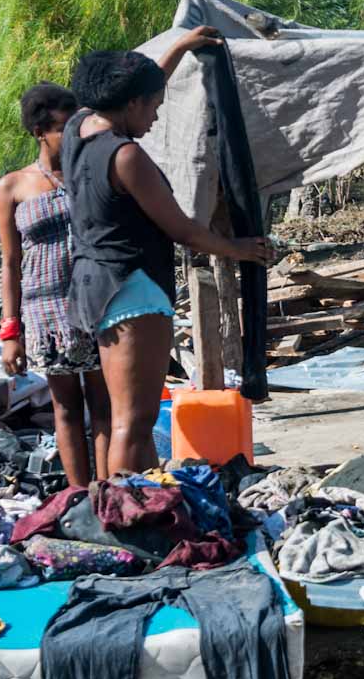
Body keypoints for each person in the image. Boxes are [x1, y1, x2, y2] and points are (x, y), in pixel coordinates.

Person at [63, 26, 277, 475]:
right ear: (132, 104)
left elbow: (131, 90)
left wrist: (178, 48)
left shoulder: (77, 129)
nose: (156, 119)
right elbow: (183, 229)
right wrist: (239, 249)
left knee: (127, 419)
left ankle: (140, 501)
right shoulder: (126, 157)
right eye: (155, 108)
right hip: (132, 289)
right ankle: (127, 516)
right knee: (133, 423)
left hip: (92, 285)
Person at [0, 84, 112, 487]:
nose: (76, 135)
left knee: (104, 405)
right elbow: (10, 262)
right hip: (45, 311)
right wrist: (11, 331)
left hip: (96, 302)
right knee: (65, 407)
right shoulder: (14, 186)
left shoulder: (91, 173)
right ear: (39, 132)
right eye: (65, 128)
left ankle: (109, 490)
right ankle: (79, 494)